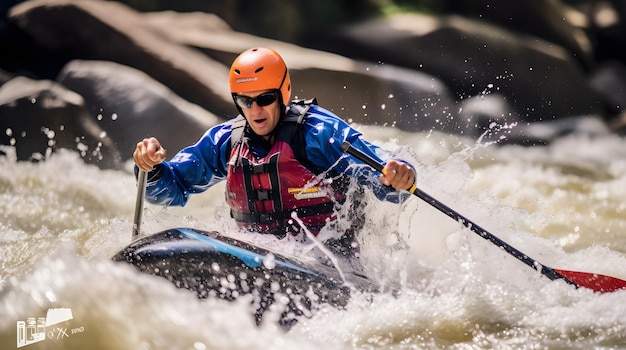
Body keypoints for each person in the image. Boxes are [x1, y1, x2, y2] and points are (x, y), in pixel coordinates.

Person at [133, 47, 415, 253]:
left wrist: (398, 175)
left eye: (265, 98)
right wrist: (151, 168)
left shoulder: (319, 134)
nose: (255, 110)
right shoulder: (225, 142)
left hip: (333, 258)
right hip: (259, 251)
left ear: (284, 92)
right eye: (244, 101)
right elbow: (172, 189)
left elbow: (378, 171)